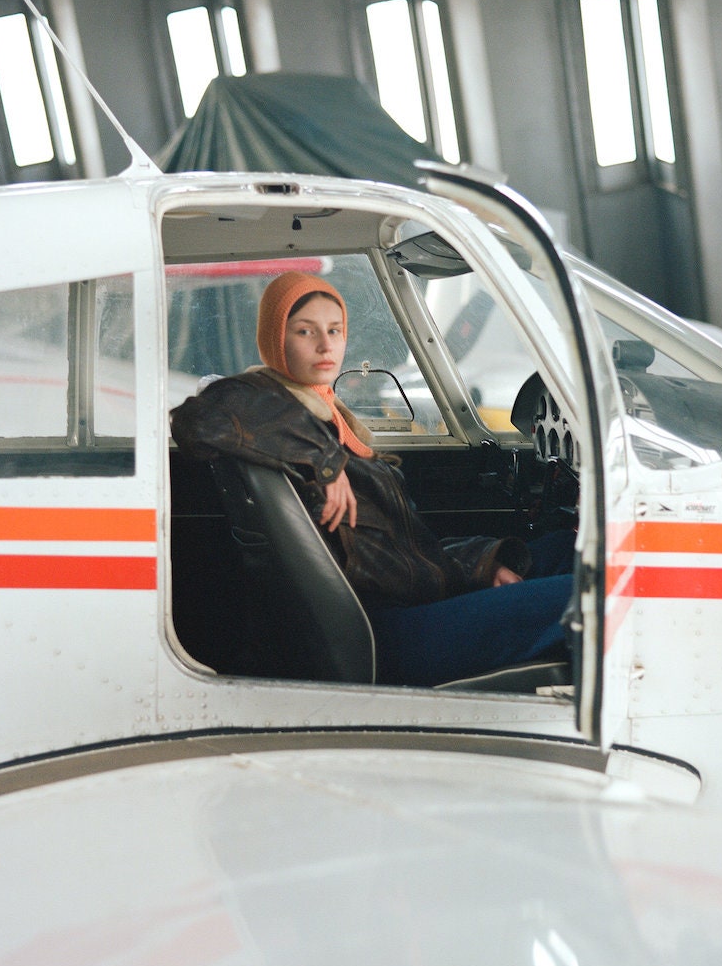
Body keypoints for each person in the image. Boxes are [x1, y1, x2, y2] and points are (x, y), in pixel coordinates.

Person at [170, 271, 574, 686]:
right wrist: (326, 463)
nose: (325, 345)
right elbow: (199, 417)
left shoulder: (314, 416)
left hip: (403, 597)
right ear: (275, 338)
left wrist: (481, 564)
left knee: (569, 548)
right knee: (594, 595)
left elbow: (398, 553)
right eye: (305, 331)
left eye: (335, 330)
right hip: (387, 631)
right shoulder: (275, 411)